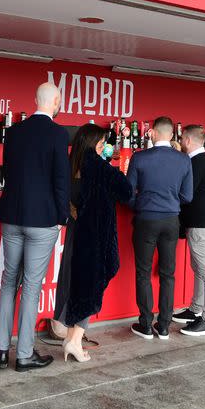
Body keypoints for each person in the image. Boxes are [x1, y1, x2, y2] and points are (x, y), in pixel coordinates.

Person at [0, 82, 70, 372]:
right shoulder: (58, 134)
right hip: (43, 219)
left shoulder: (13, 132)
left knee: (9, 280)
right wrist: (62, 217)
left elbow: (9, 172)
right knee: (32, 287)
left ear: (35, 100)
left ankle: (1, 350)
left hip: (12, 215)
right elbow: (61, 180)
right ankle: (24, 355)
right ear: (56, 101)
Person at [53, 123, 132, 362]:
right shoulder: (99, 167)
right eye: (101, 143)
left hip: (75, 234)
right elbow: (126, 191)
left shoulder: (69, 165)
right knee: (89, 286)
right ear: (94, 144)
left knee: (71, 284)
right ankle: (75, 341)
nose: (104, 147)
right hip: (96, 237)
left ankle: (69, 337)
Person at [126, 117, 193, 340]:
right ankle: (163, 326)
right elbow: (187, 196)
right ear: (172, 135)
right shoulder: (184, 160)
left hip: (146, 219)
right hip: (171, 220)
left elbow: (128, 193)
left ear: (153, 133)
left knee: (143, 273)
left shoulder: (139, 158)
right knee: (168, 274)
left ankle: (145, 324)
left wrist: (141, 204)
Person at [173, 125, 205, 336]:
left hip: (203, 225)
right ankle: (196, 310)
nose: (182, 142)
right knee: (201, 269)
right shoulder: (204, 161)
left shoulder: (196, 163)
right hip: (202, 223)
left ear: (188, 140)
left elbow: (187, 194)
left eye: (183, 139)